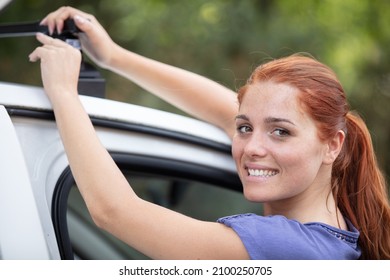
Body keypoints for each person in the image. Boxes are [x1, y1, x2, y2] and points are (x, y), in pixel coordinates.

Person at [29, 6, 390, 260]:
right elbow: (225, 109)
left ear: (332, 146)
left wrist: (63, 93)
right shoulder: (338, 224)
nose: (252, 148)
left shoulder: (287, 247)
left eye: (281, 132)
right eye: (245, 128)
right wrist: (113, 56)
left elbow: (115, 212)